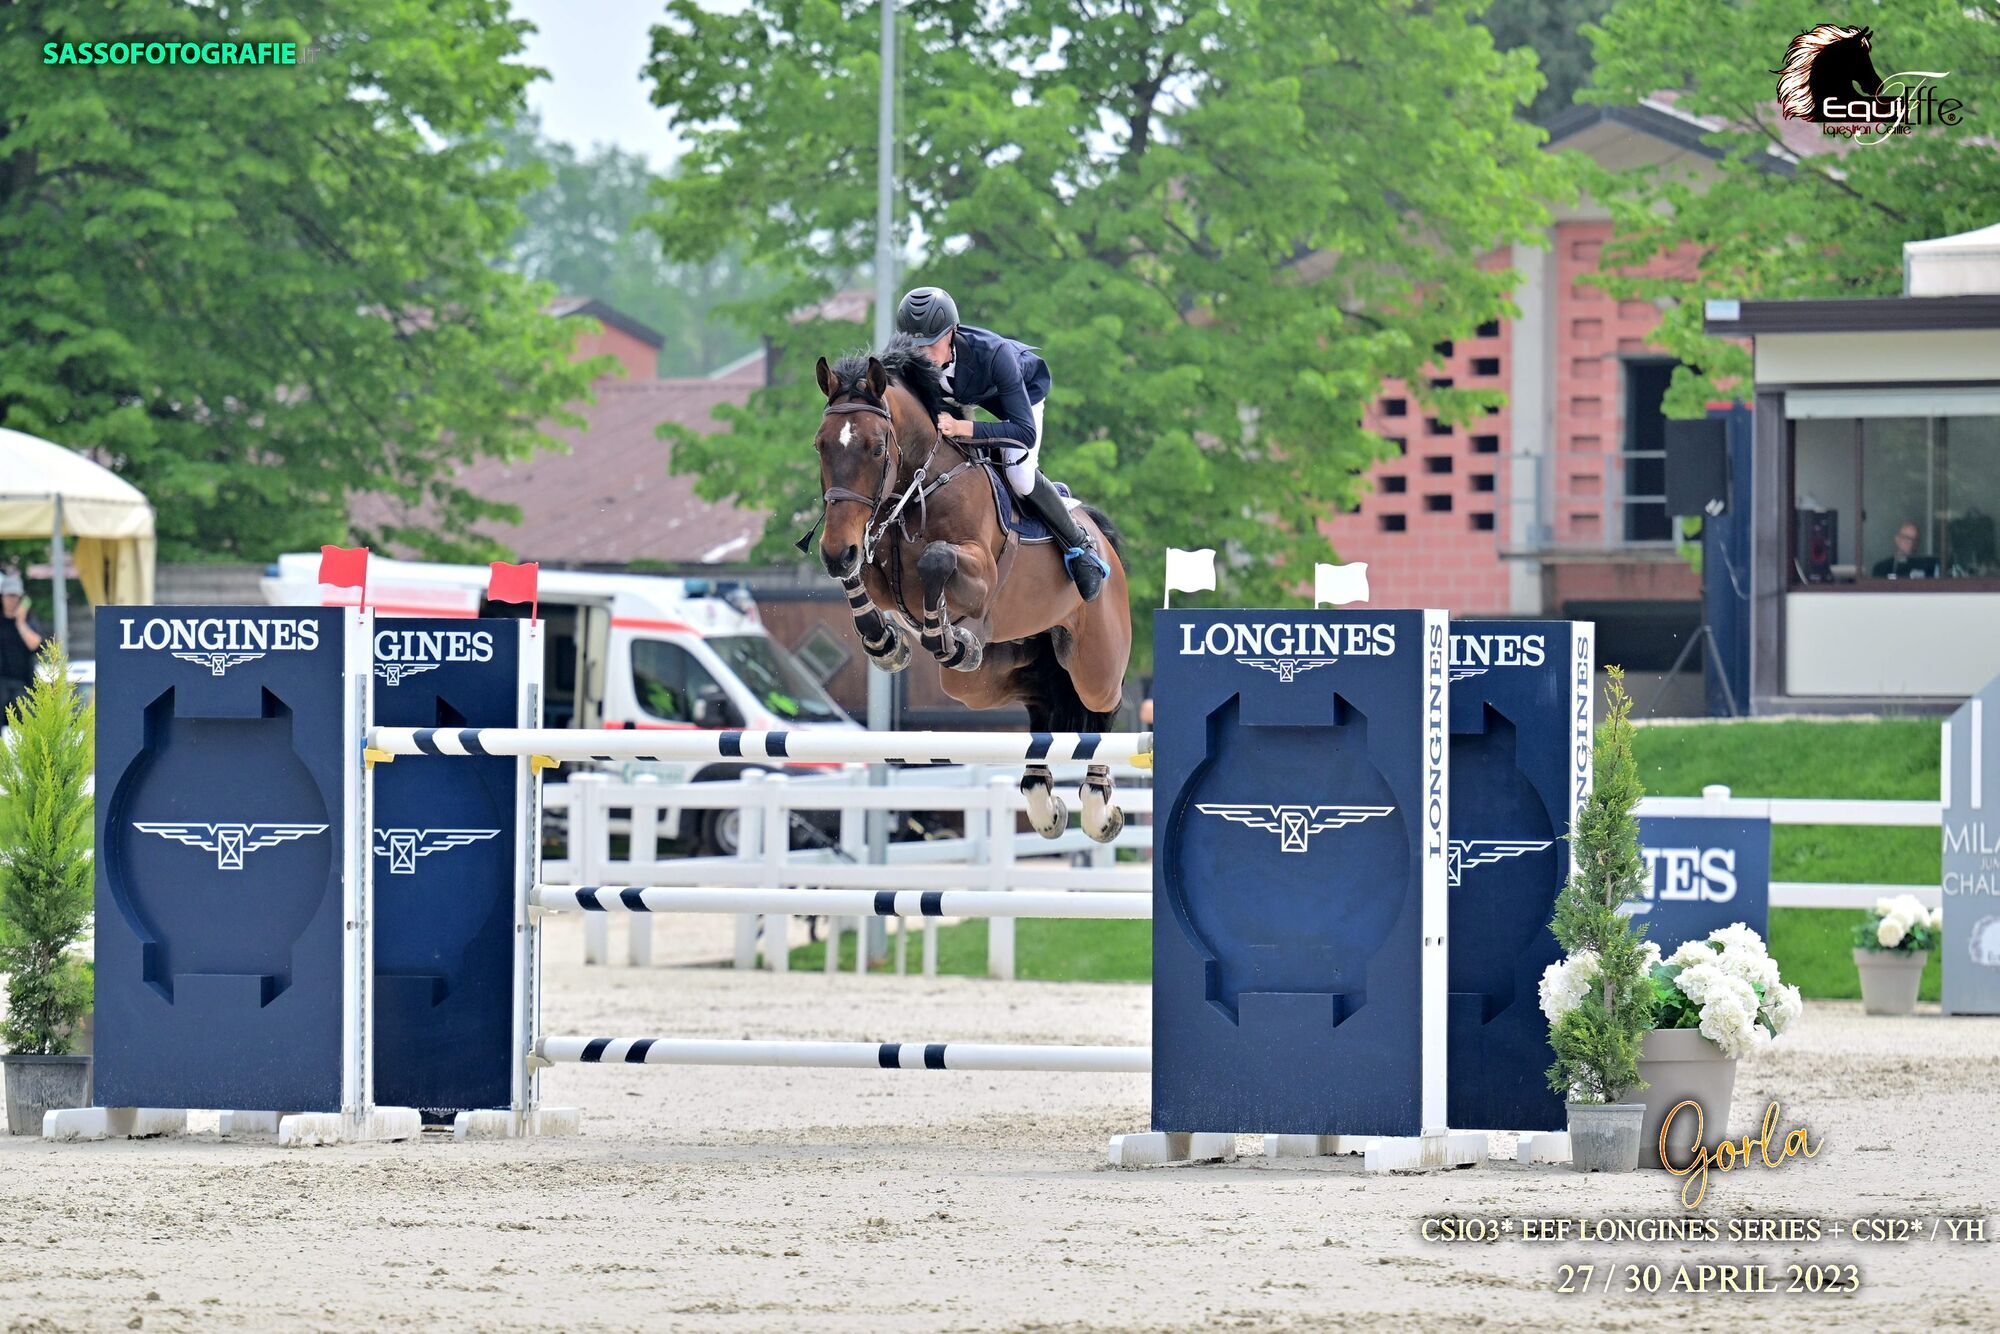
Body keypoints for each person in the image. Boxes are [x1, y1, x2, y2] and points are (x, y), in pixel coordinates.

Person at [894, 286, 1111, 602]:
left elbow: (1024, 432)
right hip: (960, 398)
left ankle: (1079, 546)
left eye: (931, 344)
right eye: (916, 346)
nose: (923, 355)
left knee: (1020, 477)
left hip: (1020, 399)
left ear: (952, 332)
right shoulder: (909, 355)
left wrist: (964, 428)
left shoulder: (994, 354)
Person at [0, 572, 46, 719]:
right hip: (1, 682)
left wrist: (20, 623)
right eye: (9, 596)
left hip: (22, 684)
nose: (12, 600)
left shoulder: (28, 620)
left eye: (15, 596)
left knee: (29, 722)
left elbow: (36, 645)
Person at [1872, 521, 1940, 580]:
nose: (1910, 543)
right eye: (1907, 538)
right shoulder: (1882, 568)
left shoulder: (1927, 567)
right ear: (1897, 539)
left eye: (1914, 539)